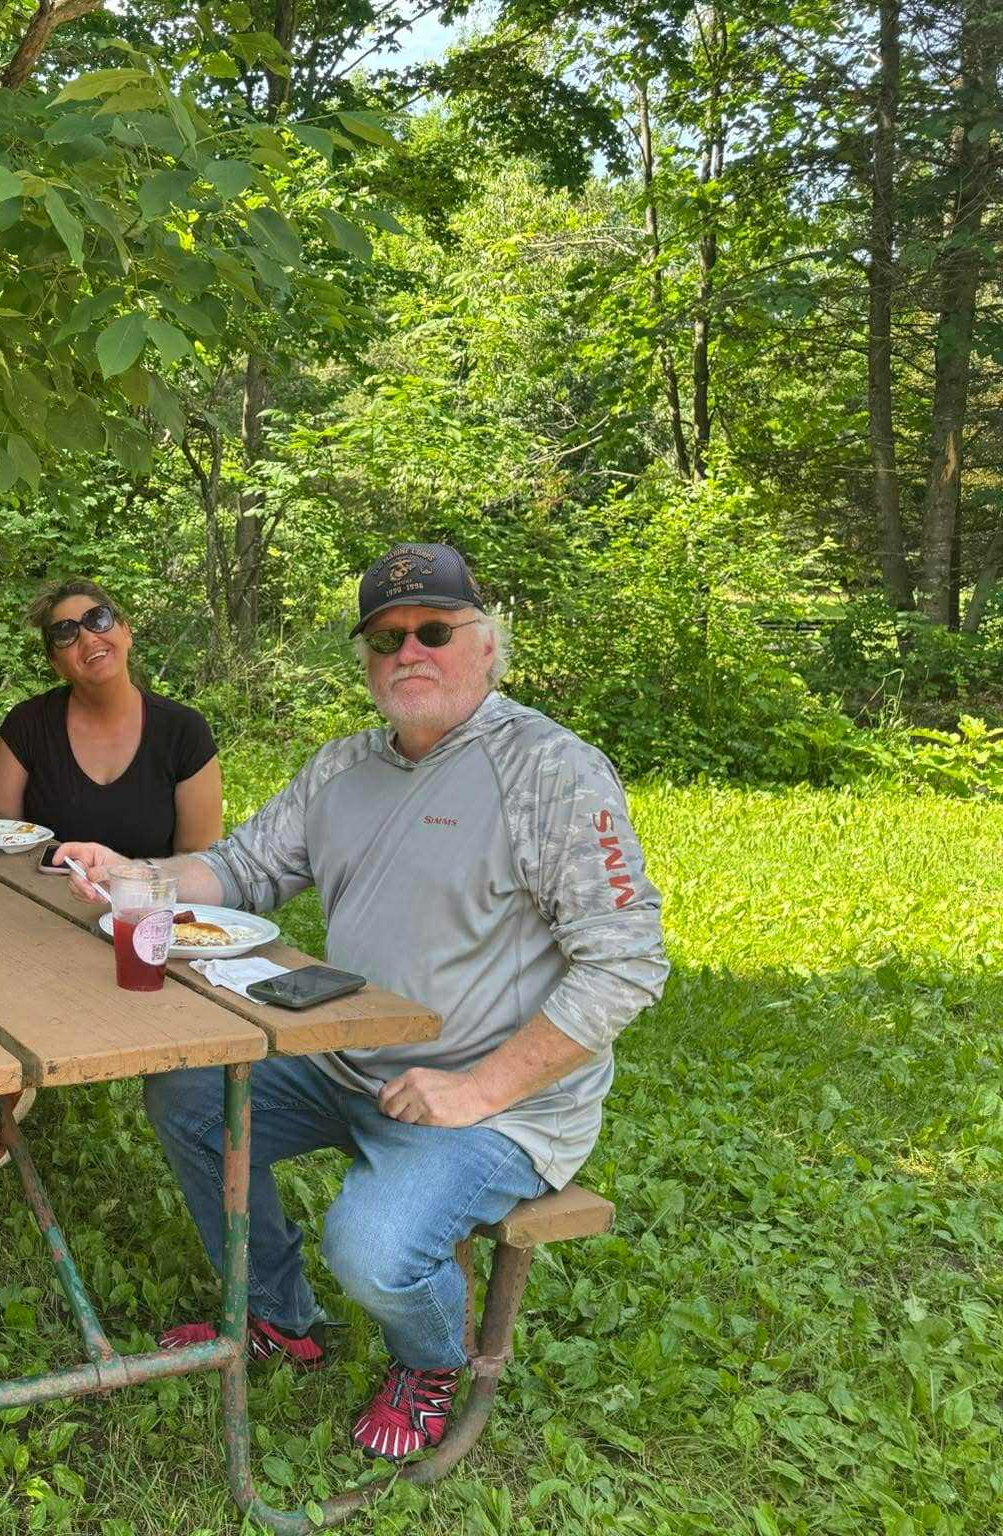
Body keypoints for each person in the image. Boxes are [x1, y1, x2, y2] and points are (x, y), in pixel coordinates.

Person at [58, 542, 669, 1461]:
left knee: (374, 1251)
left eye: (433, 630)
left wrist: (479, 1091)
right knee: (187, 1098)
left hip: (494, 1105)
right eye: (386, 638)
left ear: (488, 644)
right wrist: (139, 875)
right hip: (348, 1061)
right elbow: (245, 867)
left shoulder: (551, 770)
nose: (408, 652)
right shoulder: (343, 767)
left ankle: (430, 1358)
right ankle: (278, 1313)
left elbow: (625, 965)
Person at [0, 580, 224, 1168]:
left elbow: (205, 861)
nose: (87, 635)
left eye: (98, 618)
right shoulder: (28, 725)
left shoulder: (183, 731)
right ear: (54, 660)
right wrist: (55, 866)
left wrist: (133, 887)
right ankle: (0, 1086)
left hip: (142, 918)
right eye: (65, 632)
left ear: (126, 630)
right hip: (41, 906)